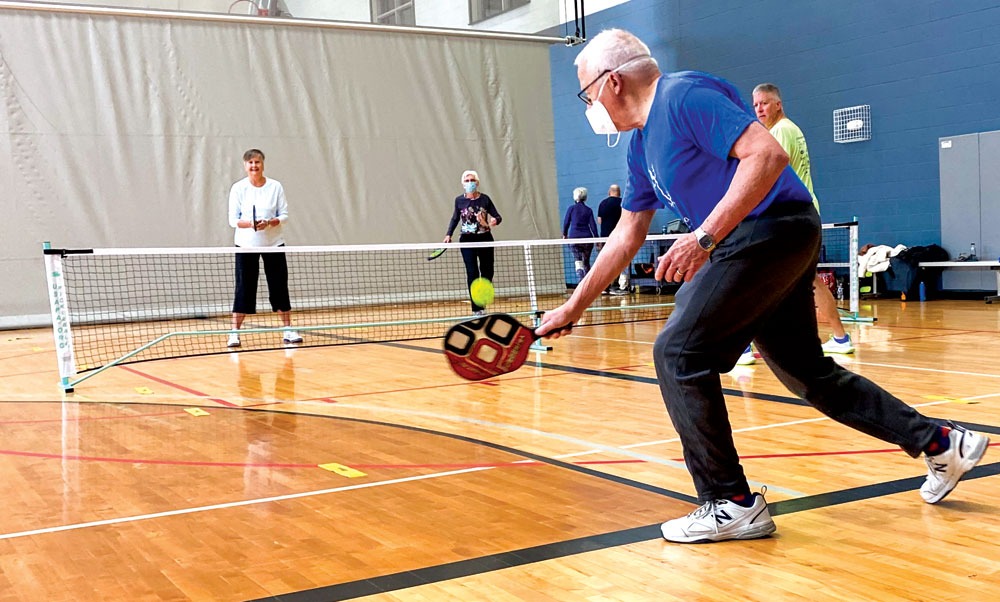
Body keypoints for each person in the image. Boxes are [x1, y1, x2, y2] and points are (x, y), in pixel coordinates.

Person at [536, 28, 989, 544]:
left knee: (679, 354)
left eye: (586, 93)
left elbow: (767, 156)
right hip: (769, 236)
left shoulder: (682, 95)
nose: (589, 107)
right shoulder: (640, 146)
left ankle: (728, 502)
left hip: (767, 230)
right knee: (807, 371)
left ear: (612, 81)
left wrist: (703, 238)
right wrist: (574, 305)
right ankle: (939, 443)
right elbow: (626, 234)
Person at [734, 82, 853, 366]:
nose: (759, 109)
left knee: (749, 278)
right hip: (802, 214)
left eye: (764, 103)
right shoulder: (790, 130)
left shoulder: (781, 132)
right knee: (809, 279)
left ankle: (745, 348)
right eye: (755, 105)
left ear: (778, 104)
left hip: (786, 217)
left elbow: (768, 174)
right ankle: (840, 338)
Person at [227, 149, 302, 348]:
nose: (254, 166)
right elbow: (233, 220)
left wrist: (270, 222)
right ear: (245, 166)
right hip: (245, 245)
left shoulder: (275, 187)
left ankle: (288, 329)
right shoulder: (238, 188)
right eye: (250, 163)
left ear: (263, 164)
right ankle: (234, 333)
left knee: (279, 286)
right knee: (244, 288)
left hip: (274, 245)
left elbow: (284, 215)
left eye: (257, 162)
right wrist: (250, 224)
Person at [444, 170, 502, 316]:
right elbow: (455, 218)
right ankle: (477, 309)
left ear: (477, 182)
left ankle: (482, 299)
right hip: (467, 241)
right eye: (467, 181)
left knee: (487, 272)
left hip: (485, 239)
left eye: (472, 180)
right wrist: (448, 234)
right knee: (472, 273)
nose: (470, 183)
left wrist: (493, 221)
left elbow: (497, 217)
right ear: (463, 184)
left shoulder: (485, 199)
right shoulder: (459, 201)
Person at [598, 184, 630, 295]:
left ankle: (605, 286)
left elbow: (599, 221)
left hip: (606, 238)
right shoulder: (624, 203)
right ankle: (622, 286)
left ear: (609, 192)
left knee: (605, 262)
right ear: (619, 192)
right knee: (624, 261)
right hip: (621, 237)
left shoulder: (602, 204)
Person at [562, 186, 599, 282]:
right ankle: (588, 283)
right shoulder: (588, 210)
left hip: (574, 239)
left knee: (578, 260)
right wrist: (597, 239)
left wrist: (564, 234)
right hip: (587, 240)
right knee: (586, 262)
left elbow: (566, 222)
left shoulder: (571, 209)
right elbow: (593, 226)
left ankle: (581, 280)